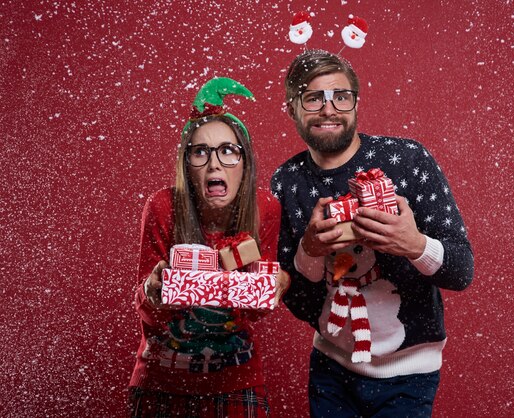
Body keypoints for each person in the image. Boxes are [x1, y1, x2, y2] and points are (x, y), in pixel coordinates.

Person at [270, 50, 474, 417]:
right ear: (292, 108)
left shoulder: (409, 160)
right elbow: (295, 298)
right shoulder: (286, 182)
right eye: (313, 97)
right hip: (330, 369)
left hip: (410, 372)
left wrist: (413, 245)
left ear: (356, 103)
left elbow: (461, 271)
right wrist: (311, 250)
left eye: (340, 96)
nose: (328, 109)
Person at [128, 77, 289, 418]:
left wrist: (277, 285)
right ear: (186, 165)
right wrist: (153, 291)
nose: (215, 163)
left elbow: (256, 310)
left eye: (228, 150)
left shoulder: (265, 210)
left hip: (237, 380)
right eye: (200, 151)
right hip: (162, 381)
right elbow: (145, 309)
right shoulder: (162, 207)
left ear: (245, 164)